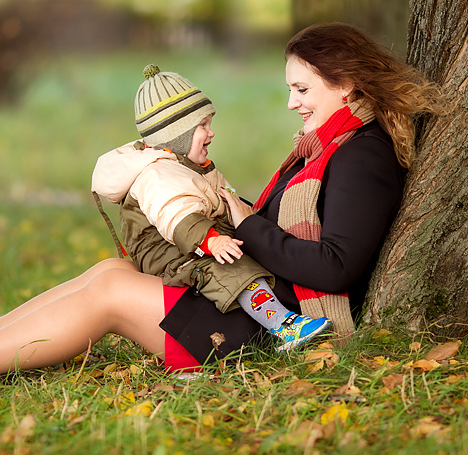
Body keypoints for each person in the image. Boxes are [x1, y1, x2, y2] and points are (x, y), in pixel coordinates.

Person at [0, 23, 442, 384]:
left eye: (302, 89)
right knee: (110, 268)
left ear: (345, 85)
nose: (292, 103)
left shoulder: (362, 157)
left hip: (273, 327)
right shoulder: (325, 146)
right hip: (256, 298)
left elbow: (337, 265)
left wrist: (242, 221)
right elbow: (276, 227)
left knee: (110, 290)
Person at [90, 64, 332, 351]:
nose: (211, 133)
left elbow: (218, 199)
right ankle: (282, 325)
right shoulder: (157, 175)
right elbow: (176, 213)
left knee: (239, 255)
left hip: (193, 242)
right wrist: (210, 241)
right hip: (172, 253)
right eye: (202, 127)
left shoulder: (188, 167)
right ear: (176, 136)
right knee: (233, 270)